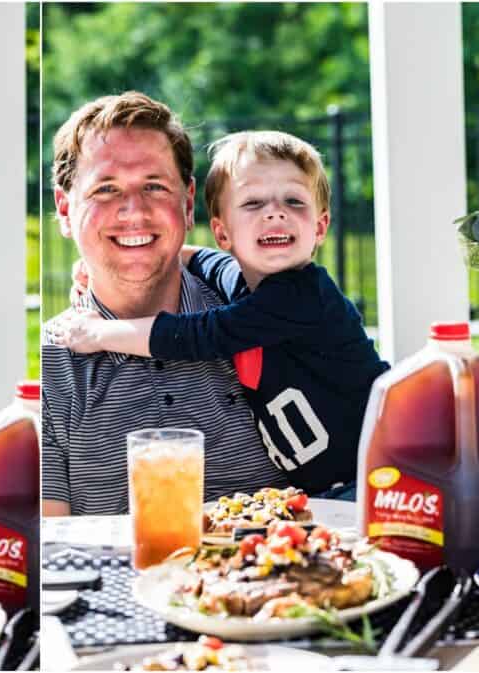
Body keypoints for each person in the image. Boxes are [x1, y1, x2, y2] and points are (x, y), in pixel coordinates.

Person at [52, 131, 389, 499]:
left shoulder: (304, 294)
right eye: (253, 203)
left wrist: (100, 334)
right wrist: (132, 253)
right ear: (222, 233)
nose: (275, 211)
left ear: (320, 226)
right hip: (328, 488)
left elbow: (200, 334)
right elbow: (208, 261)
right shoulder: (244, 282)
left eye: (294, 201)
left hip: (373, 470)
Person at [42, 92, 290, 518]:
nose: (134, 212)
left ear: (188, 202)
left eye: (154, 187)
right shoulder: (49, 366)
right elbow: (50, 558)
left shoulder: (259, 315)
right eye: (106, 189)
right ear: (65, 209)